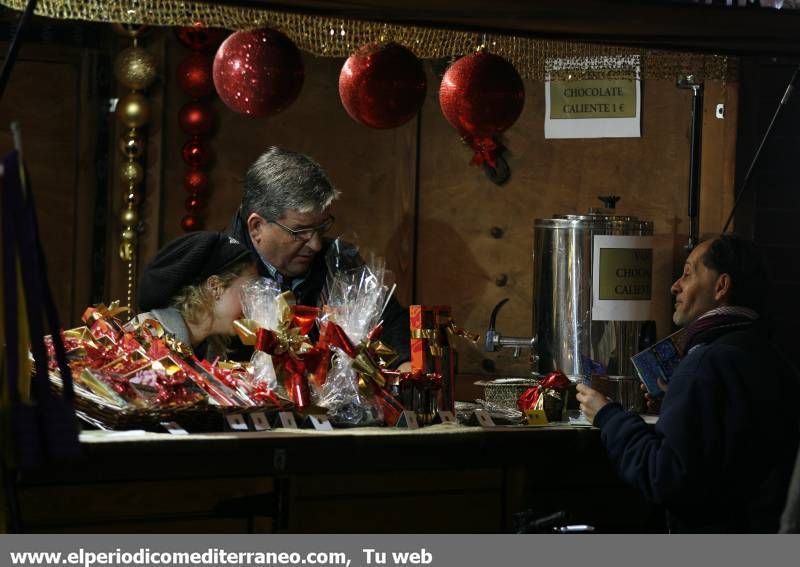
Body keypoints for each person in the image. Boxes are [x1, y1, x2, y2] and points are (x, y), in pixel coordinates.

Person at [576, 234, 800, 532]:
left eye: (688, 273)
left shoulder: (705, 362)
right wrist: (676, 404)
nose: (674, 286)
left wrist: (608, 416)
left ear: (721, 286)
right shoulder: (773, 357)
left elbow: (665, 477)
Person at [226, 146, 411, 368]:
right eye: (299, 231)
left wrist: (405, 362)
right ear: (256, 227)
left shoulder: (341, 260)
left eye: (321, 227)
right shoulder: (217, 274)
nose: (315, 244)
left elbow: (393, 325)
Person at [135, 231, 257, 361]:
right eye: (248, 291)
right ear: (215, 287)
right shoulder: (145, 337)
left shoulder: (212, 352)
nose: (253, 304)